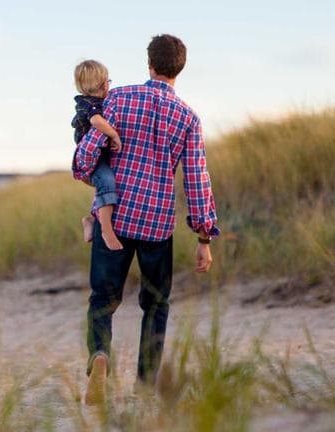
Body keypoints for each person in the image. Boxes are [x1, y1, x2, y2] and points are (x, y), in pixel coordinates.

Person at [72, 34, 220, 405]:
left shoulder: (118, 98)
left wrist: (88, 171)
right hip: (157, 225)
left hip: (116, 218)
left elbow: (86, 155)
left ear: (149, 64)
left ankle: (100, 356)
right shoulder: (188, 117)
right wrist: (204, 238)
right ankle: (145, 386)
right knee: (156, 304)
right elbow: (197, 179)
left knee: (102, 300)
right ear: (179, 69)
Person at [71, 60, 124, 251]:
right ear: (103, 84)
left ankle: (91, 219)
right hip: (92, 159)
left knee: (107, 184)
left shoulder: (99, 102)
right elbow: (96, 121)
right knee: (107, 181)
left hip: (100, 155)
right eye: (108, 81)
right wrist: (113, 134)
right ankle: (106, 231)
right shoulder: (88, 105)